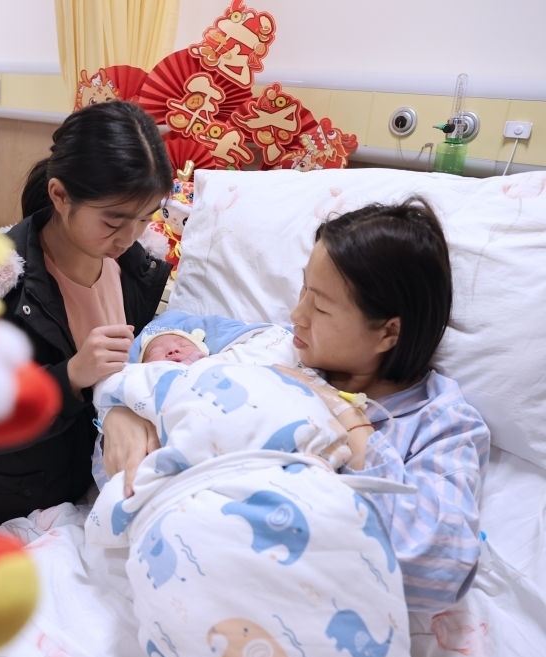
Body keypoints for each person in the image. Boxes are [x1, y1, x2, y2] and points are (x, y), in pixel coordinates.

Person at [101, 196, 492, 614]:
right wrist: (121, 413)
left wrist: (351, 424)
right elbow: (165, 335)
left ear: (387, 333)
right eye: (304, 288)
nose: (296, 314)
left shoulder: (440, 424)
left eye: (320, 306)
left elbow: (438, 572)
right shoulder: (278, 347)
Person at [0, 100, 174, 526]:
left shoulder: (136, 269)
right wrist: (71, 376)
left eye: (144, 218)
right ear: (60, 196)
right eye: (113, 222)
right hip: (12, 502)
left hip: (88, 484)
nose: (129, 237)